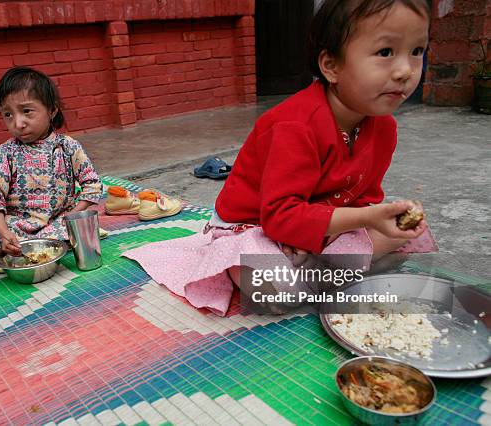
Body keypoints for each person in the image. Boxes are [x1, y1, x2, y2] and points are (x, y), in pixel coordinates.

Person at [124, 0, 437, 316]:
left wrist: (377, 217)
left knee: (410, 235)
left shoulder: (384, 128)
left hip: (317, 226)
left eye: (417, 51)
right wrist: (362, 222)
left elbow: (361, 199)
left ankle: (317, 271)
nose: (404, 71)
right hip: (254, 226)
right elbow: (278, 217)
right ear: (331, 66)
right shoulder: (294, 126)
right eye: (385, 52)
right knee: (269, 285)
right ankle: (323, 274)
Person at [0, 66, 102, 255]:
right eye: (8, 114)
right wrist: (4, 233)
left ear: (51, 110)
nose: (18, 123)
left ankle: (36, 243)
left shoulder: (68, 146)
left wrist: (74, 213)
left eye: (27, 111)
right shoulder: (5, 153)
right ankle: (18, 243)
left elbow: (92, 184)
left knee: (77, 225)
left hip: (59, 219)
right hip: (18, 223)